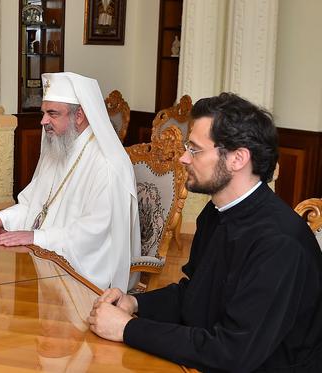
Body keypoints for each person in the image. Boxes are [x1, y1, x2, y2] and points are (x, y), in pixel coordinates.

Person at [88, 93, 322, 372]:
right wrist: (135, 302)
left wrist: (128, 329)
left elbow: (234, 353)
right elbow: (195, 294)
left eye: (195, 149)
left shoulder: (279, 243)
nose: (184, 158)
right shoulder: (215, 213)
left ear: (237, 158)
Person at [0, 72, 140, 290]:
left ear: (79, 116)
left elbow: (96, 231)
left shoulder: (107, 164)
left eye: (52, 114)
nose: (43, 121)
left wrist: (38, 237)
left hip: (87, 277)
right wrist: (2, 218)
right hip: (47, 260)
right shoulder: (59, 147)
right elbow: (34, 205)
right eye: (44, 113)